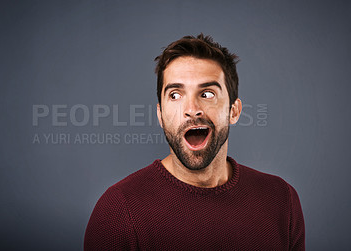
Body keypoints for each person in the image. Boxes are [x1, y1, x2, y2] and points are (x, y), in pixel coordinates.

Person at [84, 34, 305, 250]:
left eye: (207, 94)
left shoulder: (281, 200)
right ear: (160, 116)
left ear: (234, 111)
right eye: (175, 95)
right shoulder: (118, 212)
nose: (191, 110)